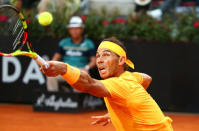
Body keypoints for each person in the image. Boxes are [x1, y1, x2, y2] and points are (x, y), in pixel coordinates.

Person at [41, 37, 173, 131]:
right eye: (98, 56)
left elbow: (88, 84)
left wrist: (64, 68)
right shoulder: (131, 78)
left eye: (106, 55)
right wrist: (123, 107)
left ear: (121, 60)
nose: (99, 60)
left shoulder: (120, 84)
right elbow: (147, 78)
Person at [46, 16, 96, 92]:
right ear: (69, 30)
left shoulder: (89, 44)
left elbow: (94, 60)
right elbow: (56, 58)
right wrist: (51, 65)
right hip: (65, 70)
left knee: (83, 75)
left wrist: (86, 68)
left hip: (80, 70)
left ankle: (76, 101)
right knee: (51, 76)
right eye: (72, 29)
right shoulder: (63, 42)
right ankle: (53, 99)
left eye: (77, 28)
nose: (75, 31)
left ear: (81, 29)